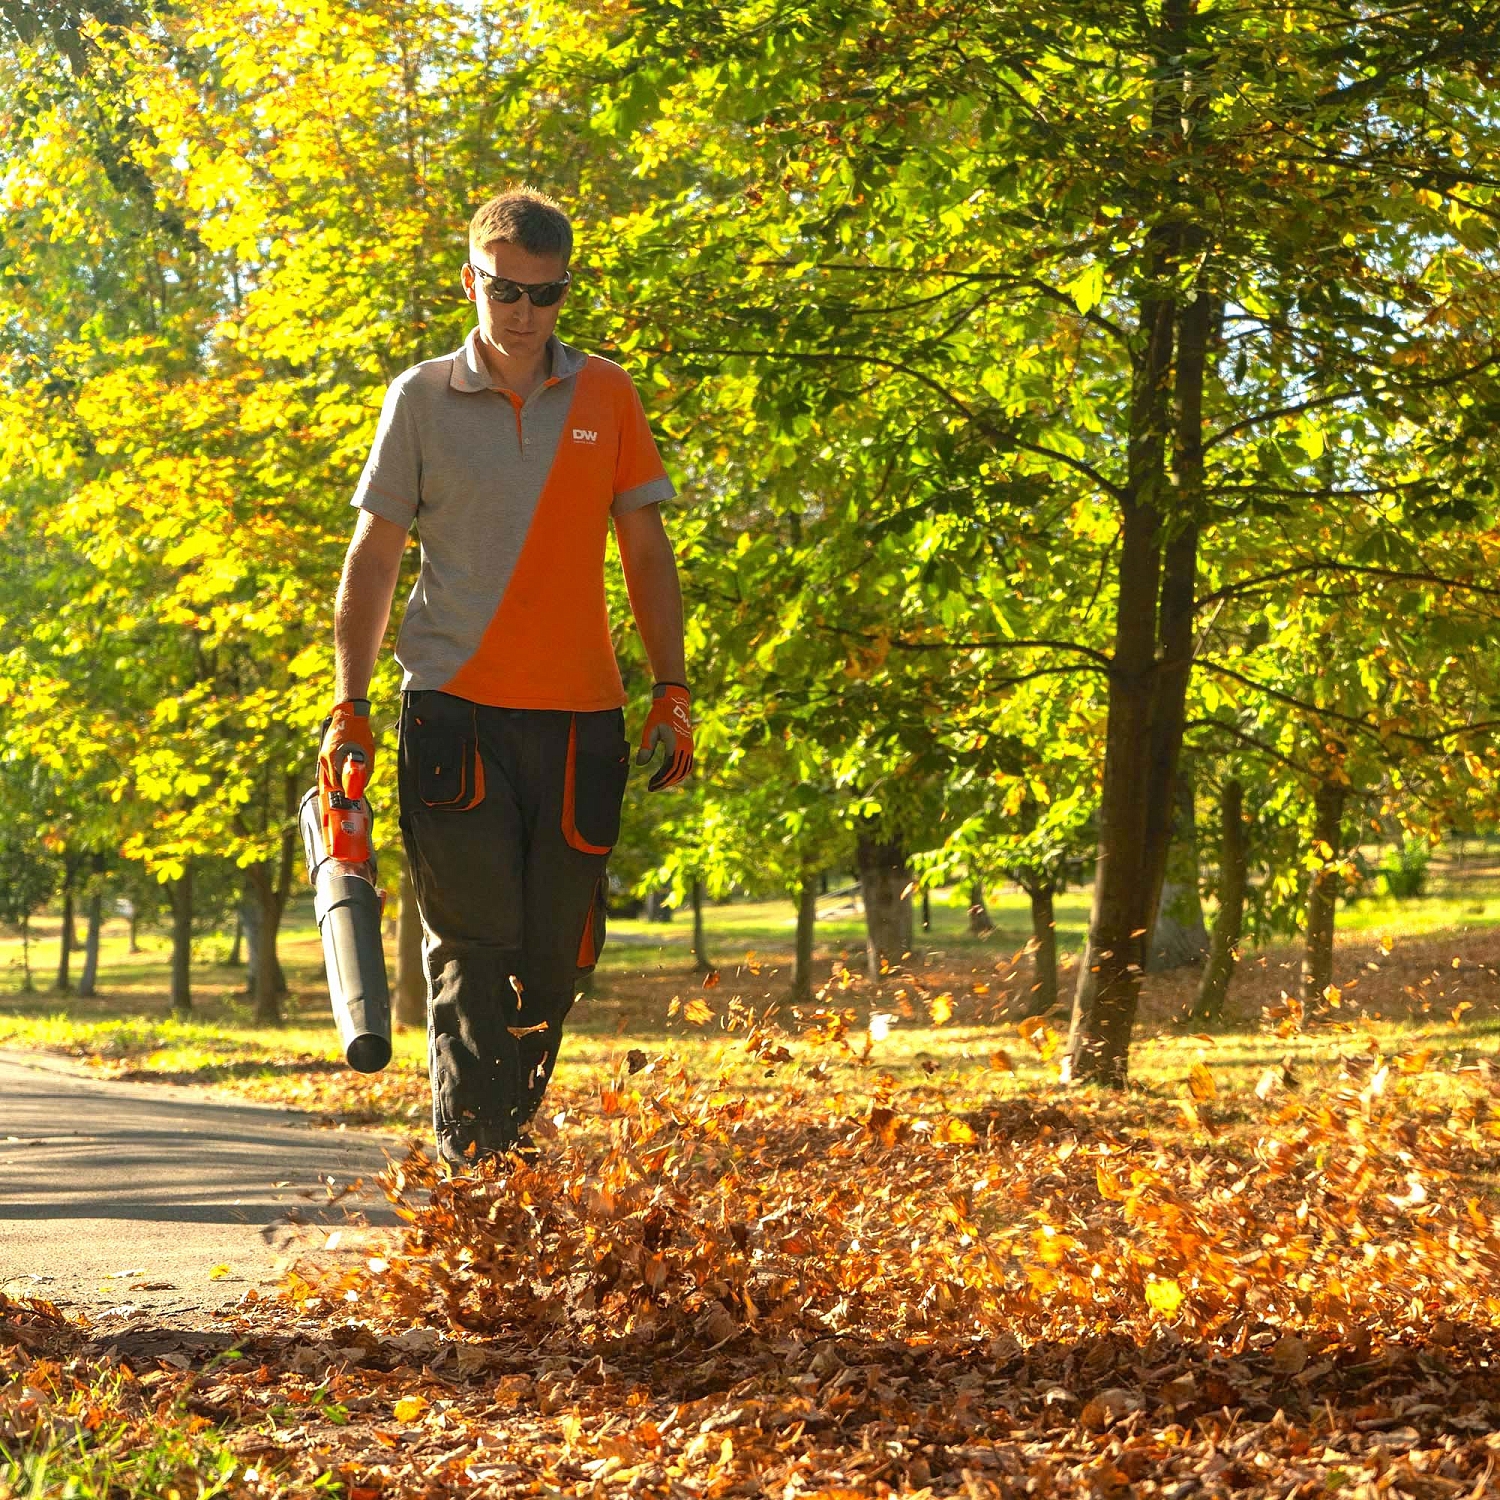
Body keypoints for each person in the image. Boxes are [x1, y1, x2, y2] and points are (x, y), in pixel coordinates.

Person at [320, 186, 692, 1168]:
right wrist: (348, 707)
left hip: (581, 722)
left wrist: (672, 687)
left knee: (555, 958)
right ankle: (476, 1173)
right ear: (471, 282)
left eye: (545, 295)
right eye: (504, 292)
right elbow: (372, 559)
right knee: (473, 949)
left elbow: (647, 553)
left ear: (566, 291)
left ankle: (502, 1147)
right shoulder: (422, 400)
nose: (524, 314)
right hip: (455, 715)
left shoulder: (606, 396)